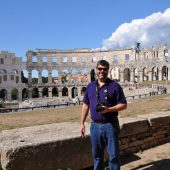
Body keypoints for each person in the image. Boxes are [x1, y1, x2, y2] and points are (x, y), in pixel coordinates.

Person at [80, 60, 127, 170]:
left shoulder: (115, 86)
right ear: (96, 70)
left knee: (114, 156)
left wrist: (109, 109)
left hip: (110, 125)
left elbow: (123, 105)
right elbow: (85, 105)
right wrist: (82, 123)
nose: (102, 71)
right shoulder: (90, 86)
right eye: (100, 69)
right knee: (97, 156)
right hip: (95, 126)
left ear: (108, 70)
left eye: (105, 69)